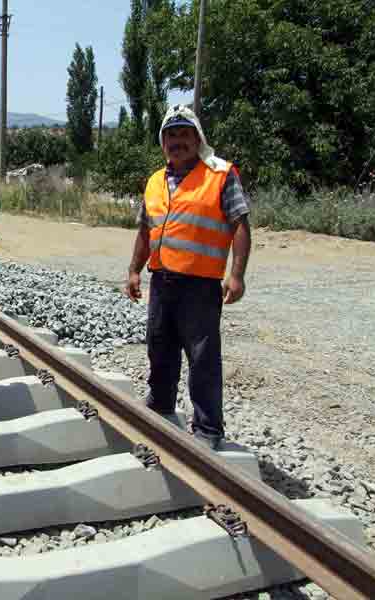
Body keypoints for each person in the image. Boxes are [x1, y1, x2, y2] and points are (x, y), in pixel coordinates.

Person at [124, 105, 252, 450]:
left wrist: (236, 275)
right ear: (162, 141)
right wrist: (134, 270)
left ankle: (208, 431)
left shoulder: (220, 175)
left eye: (184, 134)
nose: (177, 141)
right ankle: (162, 406)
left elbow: (240, 223)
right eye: (170, 135)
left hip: (200, 285)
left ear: (198, 139)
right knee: (160, 347)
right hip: (162, 280)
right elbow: (144, 230)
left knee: (203, 359)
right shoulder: (154, 181)